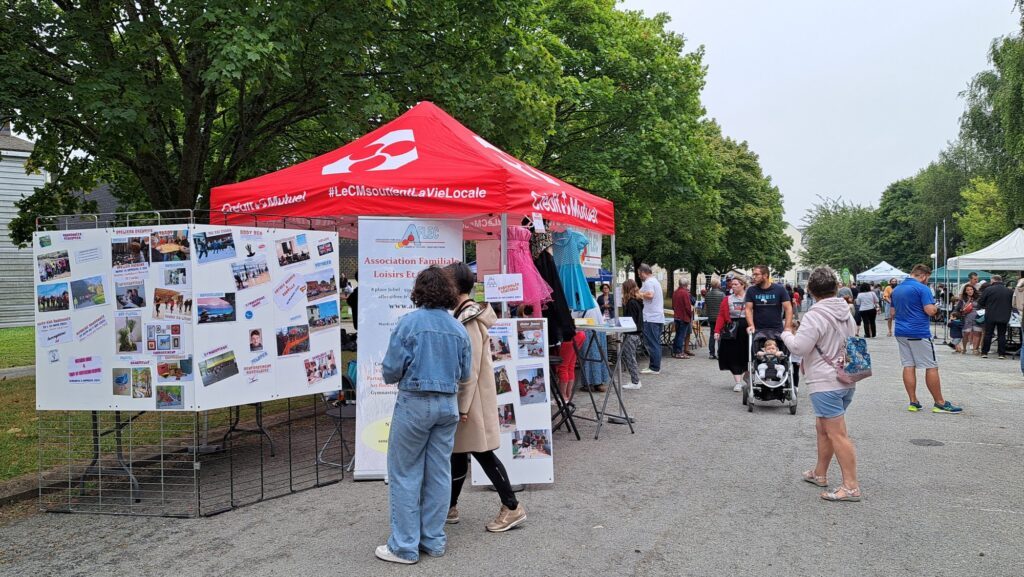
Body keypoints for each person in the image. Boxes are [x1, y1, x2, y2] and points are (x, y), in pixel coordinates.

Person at [376, 266, 472, 564]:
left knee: (405, 473)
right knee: (439, 472)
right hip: (447, 405)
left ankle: (404, 546)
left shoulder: (408, 325)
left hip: (415, 403)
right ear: (449, 292)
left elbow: (391, 371)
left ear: (418, 291)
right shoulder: (458, 328)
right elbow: (465, 373)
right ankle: (433, 540)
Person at [444, 263, 526, 534]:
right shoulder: (468, 314)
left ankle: (512, 506)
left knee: (482, 453)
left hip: (471, 400)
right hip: (474, 398)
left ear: (454, 287)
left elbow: (469, 368)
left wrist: (462, 405)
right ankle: (450, 506)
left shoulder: (466, 319)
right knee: (458, 453)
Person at [780, 266, 861, 502]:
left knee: (837, 434)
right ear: (836, 287)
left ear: (811, 290)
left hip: (824, 381)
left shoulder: (814, 315)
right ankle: (820, 473)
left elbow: (799, 347)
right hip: (845, 377)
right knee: (823, 427)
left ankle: (851, 486)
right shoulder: (846, 312)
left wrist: (786, 333)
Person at [891, 264, 962, 414]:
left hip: (901, 331)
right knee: (931, 366)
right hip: (918, 332)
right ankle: (940, 402)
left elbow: (892, 312)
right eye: (927, 278)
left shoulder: (897, 289)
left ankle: (913, 401)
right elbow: (929, 311)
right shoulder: (922, 289)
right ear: (923, 275)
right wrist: (935, 308)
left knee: (908, 365)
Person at [714, 276, 750, 392]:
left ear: (743, 285)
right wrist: (717, 331)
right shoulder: (727, 299)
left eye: (736, 284)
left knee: (748, 353)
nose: (733, 286)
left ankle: (747, 374)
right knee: (733, 354)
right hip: (732, 329)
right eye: (732, 284)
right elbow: (721, 315)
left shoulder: (750, 298)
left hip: (747, 328)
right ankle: (738, 382)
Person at [744, 264, 793, 341]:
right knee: (756, 351)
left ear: (765, 275)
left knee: (779, 352)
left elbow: (788, 308)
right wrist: (751, 325)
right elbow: (748, 309)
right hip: (758, 329)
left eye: (756, 274)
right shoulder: (751, 290)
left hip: (777, 329)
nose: (754, 277)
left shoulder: (779, 289)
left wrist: (787, 327)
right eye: (753, 274)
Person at [976, 274, 1014, 359]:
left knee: (988, 334)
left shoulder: (988, 289)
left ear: (993, 281)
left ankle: (984, 352)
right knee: (1002, 335)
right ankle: (1001, 354)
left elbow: (981, 302)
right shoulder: (1009, 291)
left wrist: (987, 305)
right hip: (1004, 315)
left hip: (990, 315)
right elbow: (1013, 303)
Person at [637, 264, 664, 375]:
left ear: (643, 272)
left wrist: (640, 295)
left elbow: (650, 295)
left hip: (651, 317)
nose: (639, 276)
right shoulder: (654, 281)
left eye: (639, 274)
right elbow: (640, 292)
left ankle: (654, 368)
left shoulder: (648, 282)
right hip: (657, 316)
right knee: (655, 342)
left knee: (652, 343)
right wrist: (638, 293)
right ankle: (655, 366)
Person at [620, 279, 644, 389]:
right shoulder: (637, 301)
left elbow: (630, 320)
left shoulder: (631, 303)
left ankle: (635, 381)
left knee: (630, 358)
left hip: (631, 333)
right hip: (637, 333)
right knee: (631, 357)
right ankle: (635, 381)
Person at [953, 284, 981, 354]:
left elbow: (982, 306)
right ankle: (964, 348)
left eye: (971, 289)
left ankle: (975, 349)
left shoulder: (978, 298)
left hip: (977, 317)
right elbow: (957, 309)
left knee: (977, 333)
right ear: (965, 291)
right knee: (966, 334)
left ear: (974, 290)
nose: (970, 291)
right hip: (966, 318)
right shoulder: (963, 300)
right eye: (968, 290)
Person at [703, 279, 726, 360]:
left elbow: (706, 307)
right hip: (720, 318)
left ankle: (711, 353)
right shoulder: (722, 294)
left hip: (711, 318)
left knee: (712, 335)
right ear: (718, 285)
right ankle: (720, 353)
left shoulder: (707, 295)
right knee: (720, 335)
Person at [671, 279, 694, 359]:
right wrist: (690, 315)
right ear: (686, 285)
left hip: (676, 316)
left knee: (677, 335)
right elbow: (688, 307)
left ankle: (675, 351)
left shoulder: (675, 292)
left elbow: (673, 305)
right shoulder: (685, 293)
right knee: (681, 335)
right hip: (683, 317)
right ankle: (679, 352)